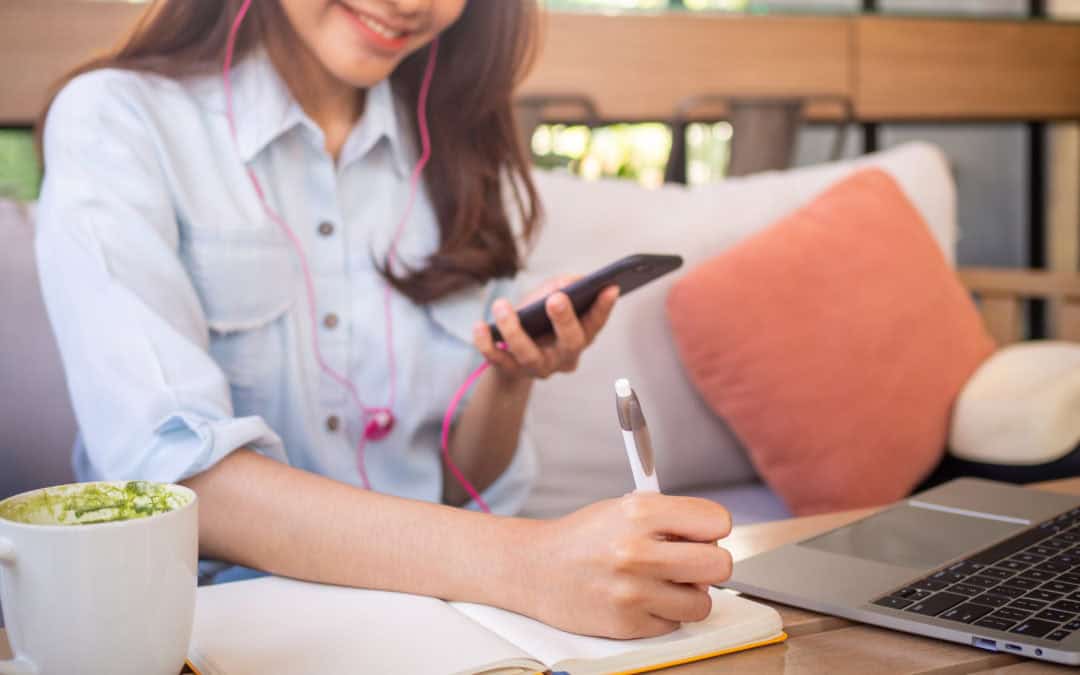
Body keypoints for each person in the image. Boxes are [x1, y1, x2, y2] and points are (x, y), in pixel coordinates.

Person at [35, 0, 733, 639]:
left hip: (434, 621)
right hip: (213, 628)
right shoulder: (116, 121)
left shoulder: (450, 142)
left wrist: (508, 377)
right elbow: (174, 477)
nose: (408, 4)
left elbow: (457, 482)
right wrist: (530, 562)